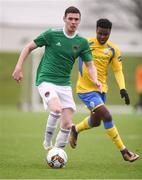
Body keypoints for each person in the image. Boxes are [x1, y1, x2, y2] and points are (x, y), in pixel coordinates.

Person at [12, 6, 102, 151]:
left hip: (64, 85)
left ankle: (57, 152)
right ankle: (47, 143)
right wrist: (18, 67)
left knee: (67, 124)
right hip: (46, 80)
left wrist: (95, 80)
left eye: (76, 19)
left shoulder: (82, 42)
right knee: (56, 109)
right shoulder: (52, 34)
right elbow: (28, 47)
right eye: (70, 18)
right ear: (64, 19)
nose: (73, 22)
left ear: (79, 21)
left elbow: (90, 66)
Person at [69, 19, 139, 162]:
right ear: (96, 30)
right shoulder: (85, 44)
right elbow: (71, 56)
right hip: (85, 90)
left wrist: (123, 89)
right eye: (100, 33)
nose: (102, 37)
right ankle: (124, 151)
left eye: (105, 34)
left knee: (95, 122)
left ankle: (75, 129)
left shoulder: (113, 49)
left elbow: (118, 70)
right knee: (107, 115)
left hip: (101, 90)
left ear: (110, 33)